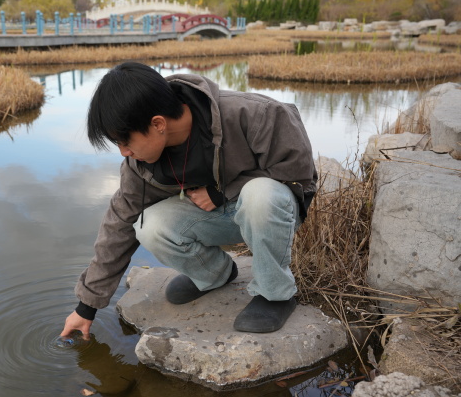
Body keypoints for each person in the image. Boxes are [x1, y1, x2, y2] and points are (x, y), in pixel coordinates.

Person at [60, 61, 317, 339]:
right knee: (149, 225)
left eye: (125, 141)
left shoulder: (254, 113)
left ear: (158, 124)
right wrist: (87, 307)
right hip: (223, 218)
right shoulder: (140, 165)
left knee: (260, 195)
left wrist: (222, 193)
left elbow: (299, 174)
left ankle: (275, 294)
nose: (124, 152)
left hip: (271, 212)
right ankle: (215, 274)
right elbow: (119, 223)